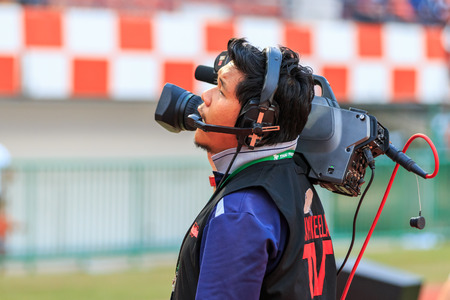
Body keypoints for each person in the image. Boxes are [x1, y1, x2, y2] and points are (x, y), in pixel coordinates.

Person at [171, 37, 336, 299]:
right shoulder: (294, 178)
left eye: (221, 90)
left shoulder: (239, 213)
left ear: (257, 119)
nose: (205, 95)